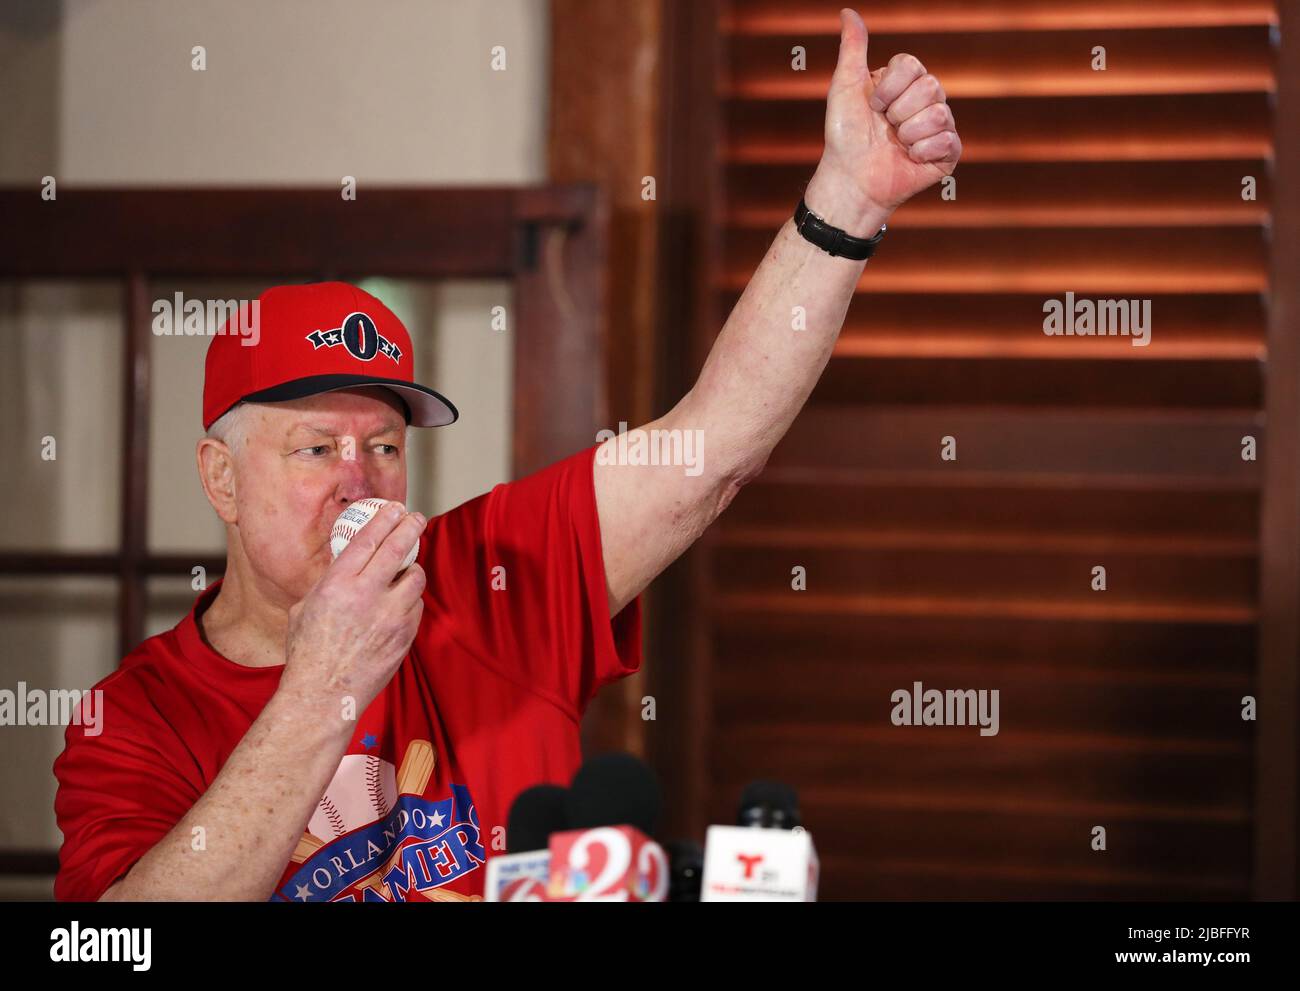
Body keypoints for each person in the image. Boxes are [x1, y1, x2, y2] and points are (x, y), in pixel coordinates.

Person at [52, 8, 960, 901]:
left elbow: (712, 448)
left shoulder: (486, 578)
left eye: (383, 445)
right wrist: (325, 684)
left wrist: (848, 200)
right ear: (222, 479)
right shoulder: (132, 721)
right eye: (315, 446)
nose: (357, 480)